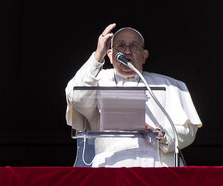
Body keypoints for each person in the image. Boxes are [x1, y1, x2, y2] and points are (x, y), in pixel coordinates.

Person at [65, 23, 202, 167]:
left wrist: (160, 134)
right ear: (110, 55)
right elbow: (77, 98)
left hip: (157, 171)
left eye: (134, 46)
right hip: (111, 169)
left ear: (144, 56)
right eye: (121, 46)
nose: (127, 51)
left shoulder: (169, 85)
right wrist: (98, 54)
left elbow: (188, 132)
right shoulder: (96, 81)